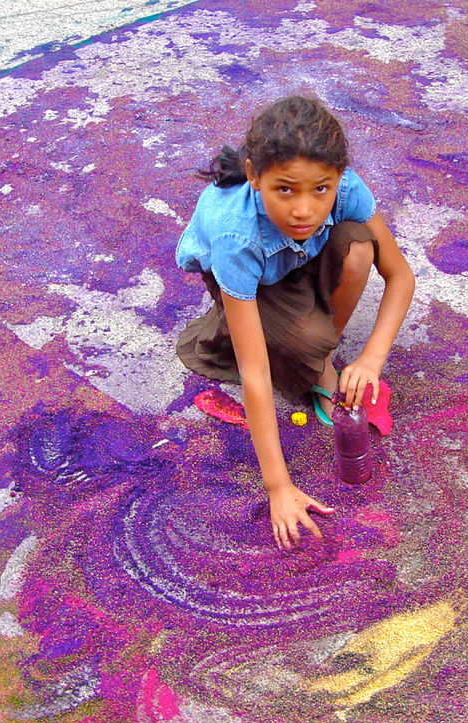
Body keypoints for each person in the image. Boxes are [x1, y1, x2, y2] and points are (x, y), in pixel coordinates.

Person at [175, 95, 415, 551]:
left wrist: (371, 359)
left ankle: (309, 343)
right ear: (253, 176)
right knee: (305, 345)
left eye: (320, 190)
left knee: (360, 248)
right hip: (247, 274)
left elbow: (400, 275)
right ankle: (281, 341)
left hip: (293, 255)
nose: (304, 209)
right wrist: (278, 488)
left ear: (338, 178)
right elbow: (255, 373)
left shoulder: (345, 189)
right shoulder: (235, 236)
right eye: (285, 189)